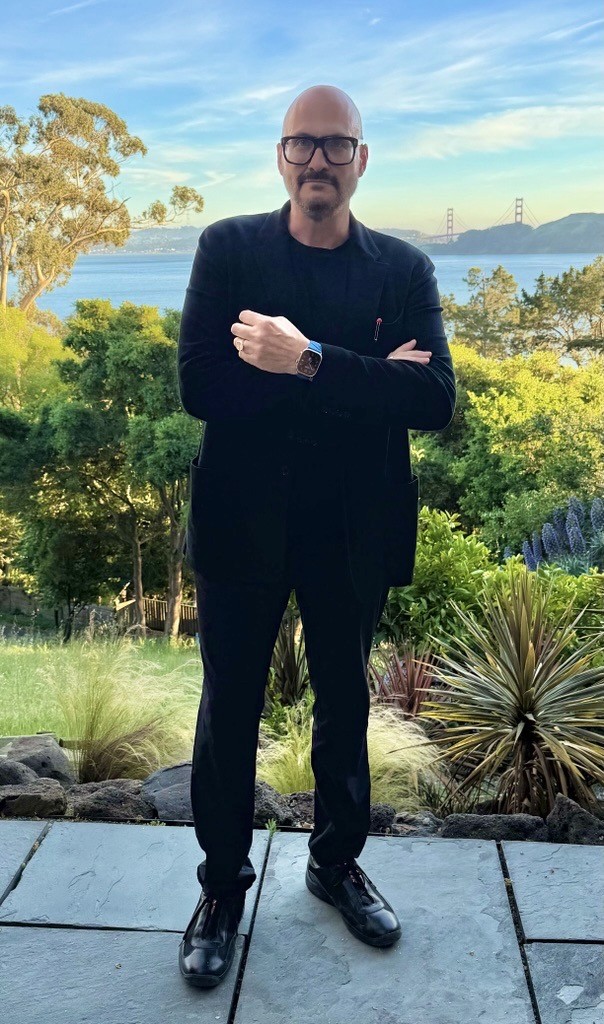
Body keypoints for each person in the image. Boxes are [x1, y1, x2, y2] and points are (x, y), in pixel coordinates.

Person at [177, 84, 456, 988]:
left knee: (344, 704)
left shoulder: (402, 269)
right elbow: (202, 388)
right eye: (302, 144)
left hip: (353, 528)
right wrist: (367, 379)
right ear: (280, 155)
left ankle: (335, 865)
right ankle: (221, 889)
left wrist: (302, 359)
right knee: (229, 715)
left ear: (362, 159)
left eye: (337, 145)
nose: (318, 161)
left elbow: (435, 400)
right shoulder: (228, 248)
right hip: (240, 524)